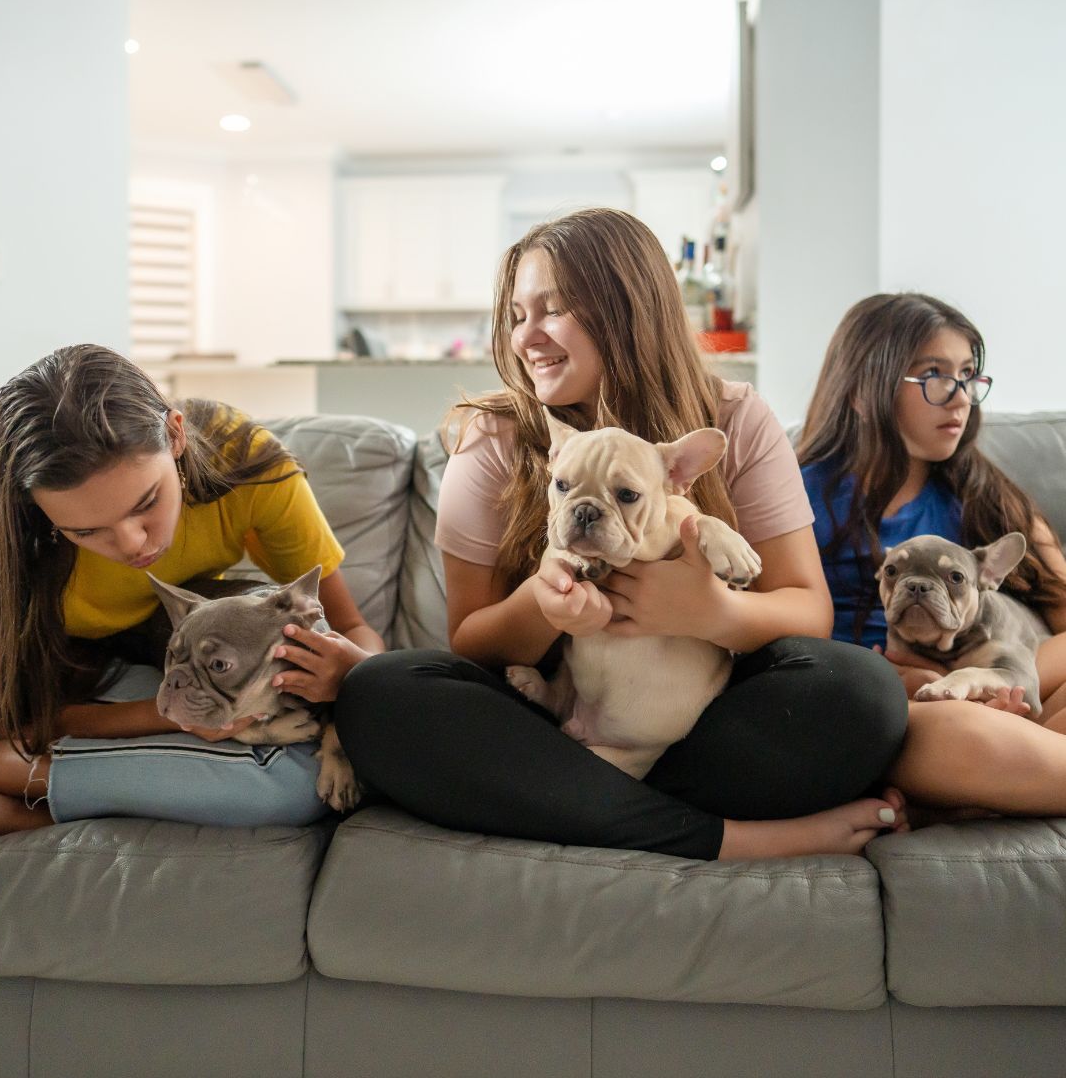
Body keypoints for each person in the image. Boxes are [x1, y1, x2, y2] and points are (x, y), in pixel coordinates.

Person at [326, 207, 914, 862]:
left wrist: (712, 612)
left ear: (627, 307)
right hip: (553, 725)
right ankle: (723, 839)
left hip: (696, 727)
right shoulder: (494, 436)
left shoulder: (733, 418)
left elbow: (807, 607)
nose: (528, 337)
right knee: (379, 693)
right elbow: (470, 642)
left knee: (863, 692)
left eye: (552, 310)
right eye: (517, 316)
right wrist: (543, 610)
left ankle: (588, 808)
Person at [0, 344, 382, 835]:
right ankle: (33, 788)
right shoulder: (6, 547)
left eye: (146, 502)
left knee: (302, 777)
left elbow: (352, 627)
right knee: (281, 784)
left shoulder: (243, 459)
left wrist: (348, 674)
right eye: (85, 532)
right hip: (75, 686)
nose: (132, 544)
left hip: (175, 661)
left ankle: (35, 799)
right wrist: (179, 719)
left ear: (174, 436)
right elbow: (12, 722)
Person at [798, 293, 1066, 731]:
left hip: (994, 689)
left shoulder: (989, 496)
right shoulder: (800, 497)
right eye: (934, 375)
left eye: (966, 376)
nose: (960, 398)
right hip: (877, 708)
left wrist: (982, 680)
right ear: (862, 392)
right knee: (969, 732)